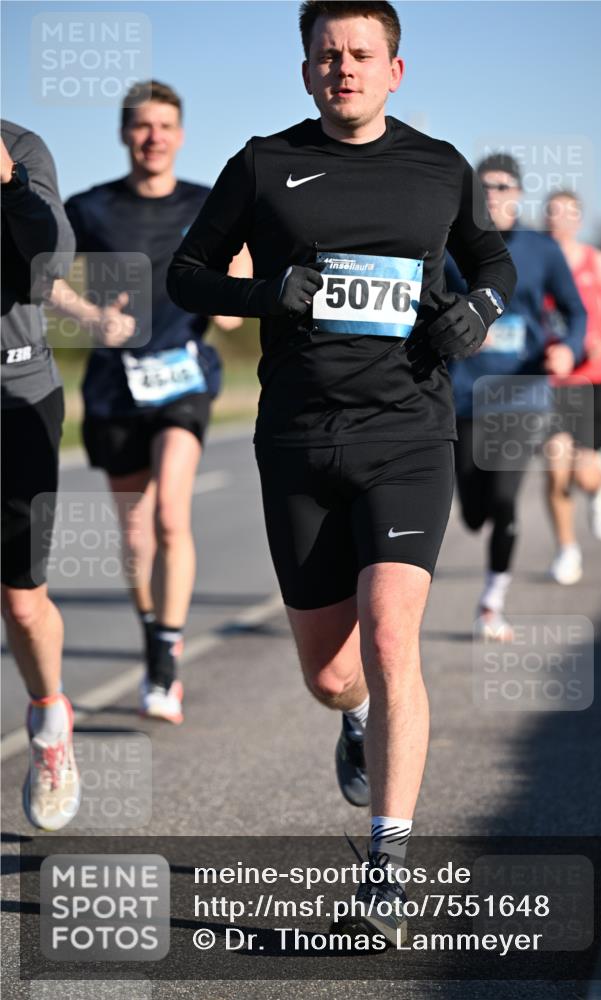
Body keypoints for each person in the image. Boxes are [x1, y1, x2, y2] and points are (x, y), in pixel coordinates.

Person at [167, 0, 516, 944]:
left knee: (391, 637)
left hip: (408, 435)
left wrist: (476, 307)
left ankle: (386, 867)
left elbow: (491, 260)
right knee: (332, 673)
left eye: (361, 54)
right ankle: (352, 721)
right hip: (296, 442)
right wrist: (261, 293)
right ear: (305, 67)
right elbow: (186, 274)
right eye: (327, 54)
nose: (343, 68)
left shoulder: (438, 166)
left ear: (394, 70)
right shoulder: (261, 163)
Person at [48, 80, 251, 725]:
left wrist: (230, 297)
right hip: (114, 386)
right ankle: (153, 634)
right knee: (136, 532)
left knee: (169, 512)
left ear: (180, 134)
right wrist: (86, 317)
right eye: (141, 126)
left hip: (184, 378)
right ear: (124, 134)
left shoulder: (205, 202)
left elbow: (240, 258)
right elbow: (41, 272)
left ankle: (164, 661)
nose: (153, 137)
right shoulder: (90, 207)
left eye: (165, 125)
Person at [448, 155, 586, 640]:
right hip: (465, 395)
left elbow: (576, 312)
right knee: (473, 512)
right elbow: (428, 306)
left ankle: (491, 601)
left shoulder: (542, 250)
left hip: (523, 392)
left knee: (505, 499)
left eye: (503, 187)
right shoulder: (451, 248)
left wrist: (568, 351)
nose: (493, 196)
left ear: (519, 194)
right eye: (484, 188)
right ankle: (480, 523)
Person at [1, 120, 80, 830]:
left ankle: (50, 722)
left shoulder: (19, 149)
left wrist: (7, 182)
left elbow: (49, 261)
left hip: (16, 397)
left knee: (22, 602)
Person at [543, 191, 601, 585]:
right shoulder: (535, 262)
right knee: (553, 467)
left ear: (580, 219)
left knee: (582, 472)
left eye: (569, 213)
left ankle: (599, 491)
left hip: (593, 378)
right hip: (548, 380)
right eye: (553, 212)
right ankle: (567, 550)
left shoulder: (598, 263)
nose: (560, 219)